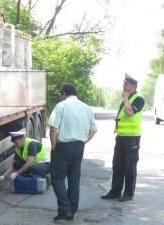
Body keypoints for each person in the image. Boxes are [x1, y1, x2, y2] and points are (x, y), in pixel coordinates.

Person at [49, 83, 97, 222]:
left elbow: (53, 129)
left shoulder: (62, 106)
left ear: (63, 93)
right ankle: (71, 212)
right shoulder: (86, 107)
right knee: (74, 180)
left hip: (62, 147)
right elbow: (93, 129)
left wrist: (53, 145)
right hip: (79, 147)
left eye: (61, 94)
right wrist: (84, 141)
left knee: (57, 178)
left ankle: (64, 209)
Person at [101, 73, 145, 202]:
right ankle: (115, 191)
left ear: (133, 86)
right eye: (123, 83)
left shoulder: (138, 98)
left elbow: (130, 113)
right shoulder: (127, 98)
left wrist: (126, 98)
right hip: (121, 137)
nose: (123, 86)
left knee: (129, 166)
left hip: (132, 138)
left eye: (126, 84)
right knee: (117, 165)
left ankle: (128, 193)